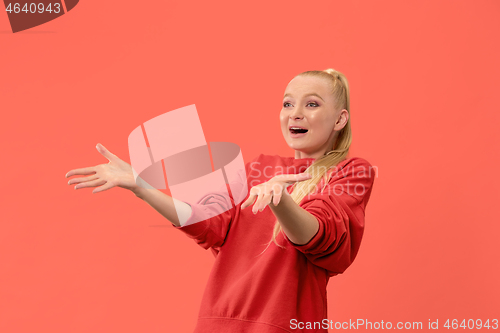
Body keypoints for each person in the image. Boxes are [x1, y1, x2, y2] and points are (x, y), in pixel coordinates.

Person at [65, 68, 376, 332]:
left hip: (283, 323)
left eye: (311, 104)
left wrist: (280, 200)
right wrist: (142, 187)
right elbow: (208, 223)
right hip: (220, 321)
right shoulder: (258, 167)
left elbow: (322, 237)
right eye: (287, 103)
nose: (295, 113)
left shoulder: (351, 171)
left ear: (340, 119)